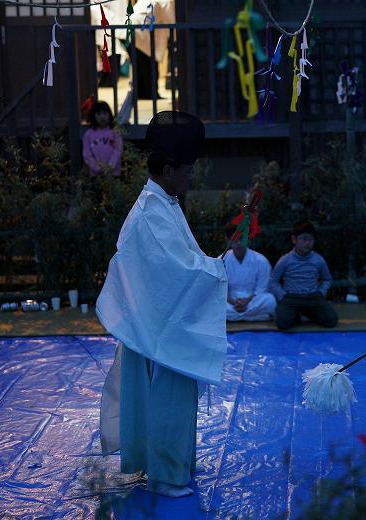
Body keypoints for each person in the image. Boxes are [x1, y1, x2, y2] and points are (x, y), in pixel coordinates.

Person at [96, 111, 227, 498]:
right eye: (187, 170)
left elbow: (181, 262)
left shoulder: (161, 202)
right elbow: (178, 272)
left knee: (163, 395)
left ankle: (163, 463)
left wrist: (212, 264)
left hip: (156, 319)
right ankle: (165, 473)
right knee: (169, 394)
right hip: (159, 325)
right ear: (169, 169)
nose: (190, 178)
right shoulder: (152, 212)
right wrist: (217, 269)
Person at [269, 221, 337, 330]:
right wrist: (282, 296)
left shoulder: (318, 259)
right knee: (282, 323)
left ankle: (308, 312)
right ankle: (296, 315)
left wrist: (321, 292)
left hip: (312, 296)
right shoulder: (285, 260)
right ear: (294, 240)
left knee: (331, 320)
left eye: (311, 239)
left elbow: (327, 279)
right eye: (304, 239)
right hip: (291, 297)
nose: (308, 243)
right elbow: (273, 281)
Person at [223, 222, 276, 321]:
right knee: (216, 304)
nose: (238, 243)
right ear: (228, 240)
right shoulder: (222, 261)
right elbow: (220, 289)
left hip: (253, 301)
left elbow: (262, 288)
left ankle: (235, 317)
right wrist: (232, 302)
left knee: (270, 300)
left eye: (242, 239)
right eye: (235, 239)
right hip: (231, 302)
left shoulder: (261, 260)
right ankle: (255, 317)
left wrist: (247, 301)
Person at [82, 101, 123, 177]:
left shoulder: (115, 133)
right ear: (93, 116)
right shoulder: (88, 134)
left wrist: (109, 167)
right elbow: (87, 155)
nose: (102, 117)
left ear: (109, 115)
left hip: (113, 175)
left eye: (105, 113)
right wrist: (97, 168)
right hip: (96, 176)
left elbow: (118, 151)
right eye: (99, 114)